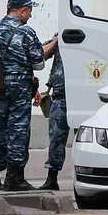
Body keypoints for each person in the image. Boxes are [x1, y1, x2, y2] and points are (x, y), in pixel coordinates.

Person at [0, 0, 53, 191]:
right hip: (19, 88)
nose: (30, 16)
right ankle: (14, 178)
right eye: (29, 12)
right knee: (18, 130)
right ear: (21, 11)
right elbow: (38, 63)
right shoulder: (26, 32)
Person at [34, 34, 67, 190]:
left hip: (82, 93)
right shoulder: (59, 38)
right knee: (56, 137)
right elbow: (41, 54)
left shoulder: (90, 38)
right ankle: (51, 178)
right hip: (60, 94)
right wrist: (55, 42)